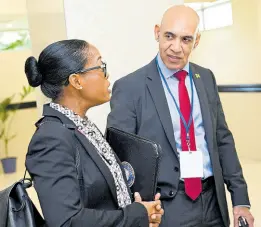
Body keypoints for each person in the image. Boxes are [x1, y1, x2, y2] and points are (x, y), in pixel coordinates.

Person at [107, 5, 254, 227]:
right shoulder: (130, 87)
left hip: (213, 201)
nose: (176, 47)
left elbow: (222, 139)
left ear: (196, 41)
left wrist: (240, 200)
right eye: (169, 36)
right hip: (166, 207)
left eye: (186, 39)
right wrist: (137, 211)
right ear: (157, 33)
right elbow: (120, 158)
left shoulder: (205, 78)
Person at [24, 39, 164, 227]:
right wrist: (136, 215)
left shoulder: (81, 126)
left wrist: (142, 213)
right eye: (100, 66)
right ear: (76, 81)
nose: (107, 75)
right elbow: (66, 221)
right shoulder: (51, 139)